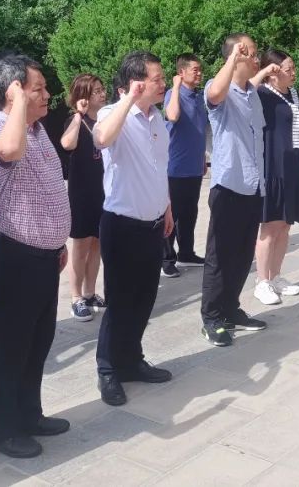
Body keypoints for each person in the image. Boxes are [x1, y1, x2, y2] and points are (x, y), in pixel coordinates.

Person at [0, 53, 72, 459]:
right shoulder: (0, 132)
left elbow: (48, 189)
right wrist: (18, 101)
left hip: (45, 257)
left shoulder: (37, 131)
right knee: (11, 347)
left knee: (38, 342)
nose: (47, 94)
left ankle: (29, 414)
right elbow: (9, 151)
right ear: (14, 93)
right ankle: (1, 429)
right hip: (16, 259)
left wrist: (58, 242)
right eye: (38, 88)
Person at [91, 52, 175, 406]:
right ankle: (108, 368)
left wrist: (167, 205)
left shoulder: (157, 118)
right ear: (135, 83)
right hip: (122, 226)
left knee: (144, 298)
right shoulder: (113, 114)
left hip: (153, 224)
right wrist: (128, 98)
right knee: (121, 301)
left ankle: (131, 360)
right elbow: (101, 139)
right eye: (157, 79)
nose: (163, 84)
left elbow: (159, 167)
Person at [200, 34, 269, 347]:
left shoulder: (252, 94)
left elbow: (257, 139)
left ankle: (230, 309)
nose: (256, 58)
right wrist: (233, 57)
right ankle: (211, 318)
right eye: (250, 53)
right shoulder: (221, 91)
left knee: (242, 256)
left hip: (253, 185)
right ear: (234, 57)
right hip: (228, 186)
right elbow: (215, 93)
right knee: (220, 257)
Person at [253, 49, 299, 306]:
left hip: (294, 166)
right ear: (273, 72)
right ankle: (261, 281)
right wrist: (264, 72)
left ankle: (276, 276)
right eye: (288, 69)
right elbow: (243, 91)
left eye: (293, 68)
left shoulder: (294, 95)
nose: (293, 73)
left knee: (286, 225)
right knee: (271, 227)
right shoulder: (262, 95)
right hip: (273, 168)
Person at [60, 74, 108, 321]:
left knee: (97, 243)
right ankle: (76, 297)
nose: (102, 94)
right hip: (82, 193)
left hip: (104, 192)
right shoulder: (74, 121)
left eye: (102, 89)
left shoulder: (106, 119)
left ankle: (90, 293)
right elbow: (67, 144)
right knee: (81, 245)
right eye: (96, 91)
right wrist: (78, 114)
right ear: (83, 96)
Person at [161, 53, 207, 278]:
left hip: (194, 166)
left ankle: (186, 253)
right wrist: (176, 87)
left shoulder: (199, 97)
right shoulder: (173, 94)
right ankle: (166, 259)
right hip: (175, 168)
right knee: (173, 214)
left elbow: (198, 130)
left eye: (200, 69)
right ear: (181, 72)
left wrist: (202, 159)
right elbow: (172, 116)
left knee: (190, 212)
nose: (199, 73)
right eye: (194, 70)